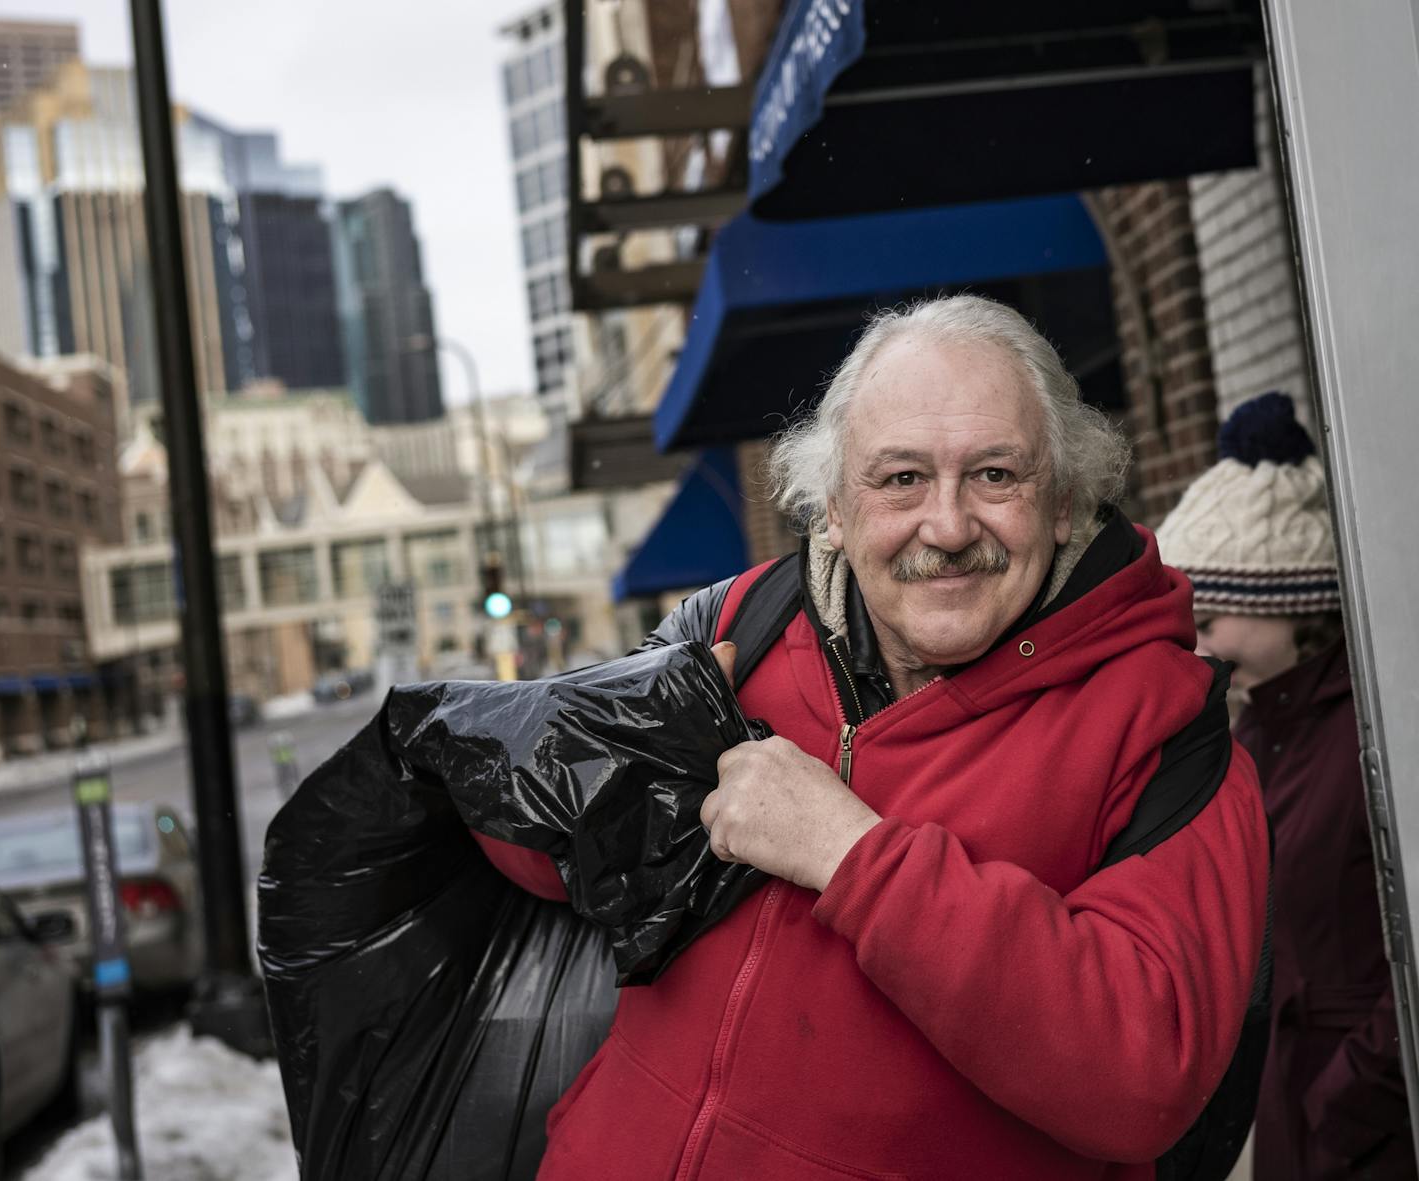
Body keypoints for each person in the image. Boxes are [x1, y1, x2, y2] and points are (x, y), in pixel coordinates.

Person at [476, 295, 1269, 1179]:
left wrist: (853, 854)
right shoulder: (742, 622)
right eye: (901, 479)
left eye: (996, 474)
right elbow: (529, 856)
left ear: (1064, 501)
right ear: (834, 514)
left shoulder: (1161, 720)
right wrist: (618, 754)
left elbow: (1142, 1077)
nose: (949, 526)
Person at [1158, 392, 1415, 1180]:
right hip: (1294, 1108)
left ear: (1290, 603)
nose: (1195, 645)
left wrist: (1344, 1098)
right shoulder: (1251, 733)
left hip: (1373, 1119)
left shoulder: (1374, 734)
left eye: (1210, 618)